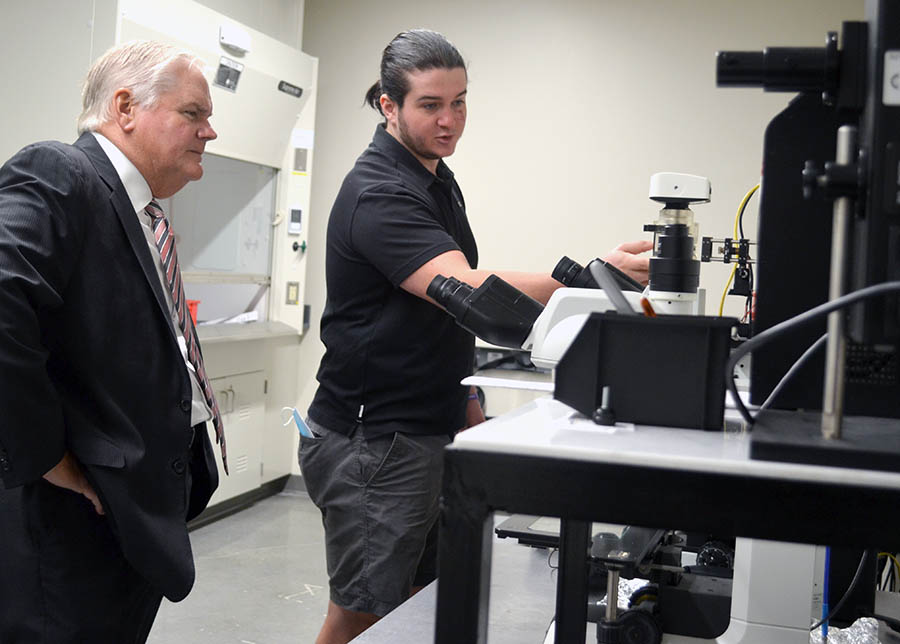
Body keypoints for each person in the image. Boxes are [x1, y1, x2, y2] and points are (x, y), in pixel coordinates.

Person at [300, 29, 652, 644]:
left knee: (417, 597)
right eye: (430, 105)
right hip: (375, 441)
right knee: (361, 613)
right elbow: (462, 289)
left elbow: (439, 318)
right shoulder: (379, 191)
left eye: (459, 102)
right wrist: (589, 274)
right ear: (389, 105)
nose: (449, 120)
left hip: (426, 426)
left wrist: (466, 402)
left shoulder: (434, 175)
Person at [0, 40, 223, 643]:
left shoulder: (140, 211)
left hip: (125, 519)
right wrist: (46, 456)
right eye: (193, 114)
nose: (210, 131)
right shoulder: (60, 173)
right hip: (69, 526)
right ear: (125, 107)